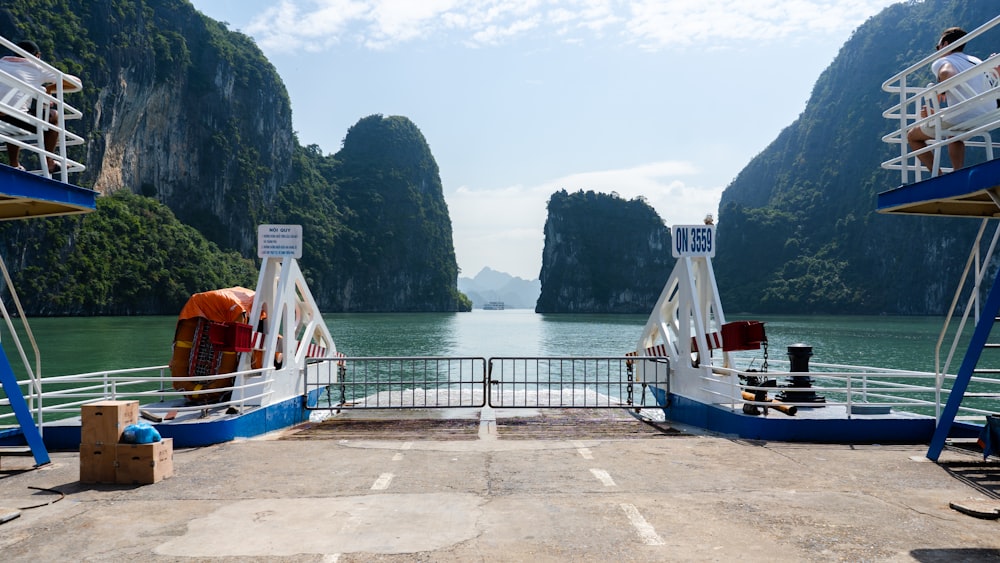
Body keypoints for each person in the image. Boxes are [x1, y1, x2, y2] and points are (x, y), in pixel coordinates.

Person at [907, 27, 995, 173]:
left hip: (965, 116)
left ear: (945, 45)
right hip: (989, 113)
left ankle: (938, 175)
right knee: (953, 132)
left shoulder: (943, 60)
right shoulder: (975, 60)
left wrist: (940, 88)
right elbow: (970, 95)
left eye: (938, 47)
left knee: (912, 136)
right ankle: (957, 171)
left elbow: (948, 73)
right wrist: (939, 111)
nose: (937, 51)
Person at [0, 40, 80, 172]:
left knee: (14, 112)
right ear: (37, 56)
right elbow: (76, 83)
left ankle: (14, 164)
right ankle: (49, 162)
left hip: (4, 118)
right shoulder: (36, 67)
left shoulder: (2, 63)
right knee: (53, 116)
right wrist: (49, 88)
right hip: (13, 118)